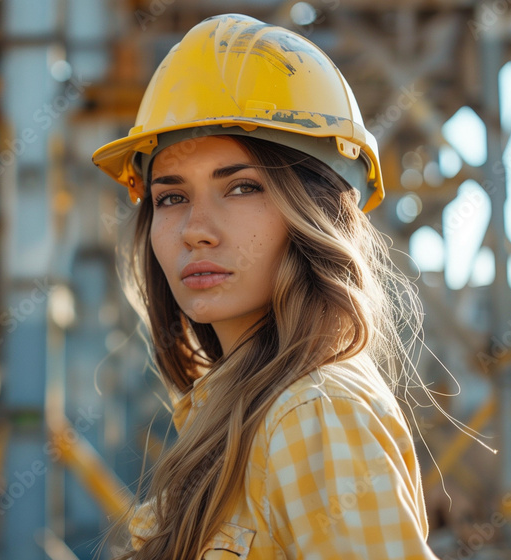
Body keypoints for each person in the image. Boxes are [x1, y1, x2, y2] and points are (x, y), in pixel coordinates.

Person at [91, 13, 444, 560]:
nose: (196, 231)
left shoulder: (314, 412)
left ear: (317, 212)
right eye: (171, 197)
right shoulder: (241, 409)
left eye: (241, 187)